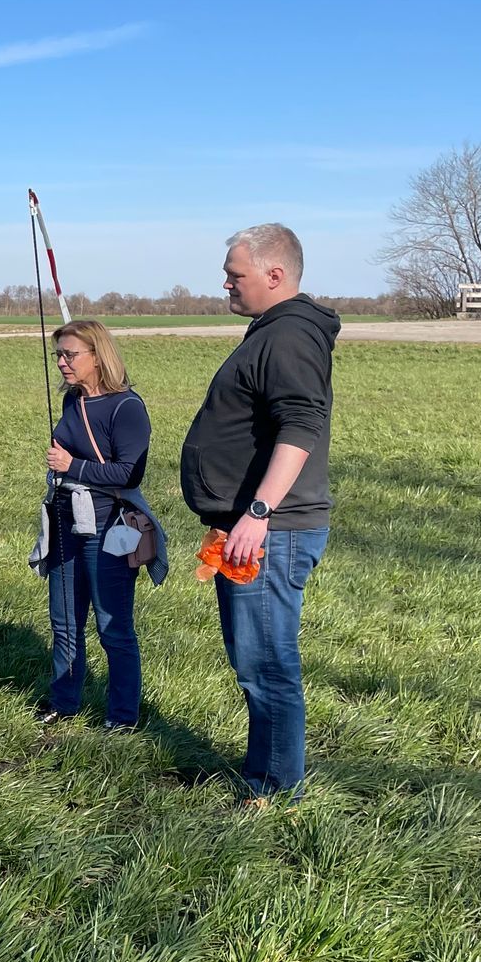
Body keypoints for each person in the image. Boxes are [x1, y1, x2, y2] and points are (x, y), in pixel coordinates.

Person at [180, 224, 340, 808]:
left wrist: (257, 511)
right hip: (255, 528)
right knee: (255, 660)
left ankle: (274, 790)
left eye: (235, 274)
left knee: (267, 663)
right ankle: (268, 774)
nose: (226, 283)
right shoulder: (274, 330)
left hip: (273, 532)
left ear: (275, 275)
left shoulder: (290, 335)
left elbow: (301, 425)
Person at [32, 319, 168, 731]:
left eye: (70, 354)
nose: (61, 362)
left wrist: (73, 466)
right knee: (64, 621)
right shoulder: (72, 400)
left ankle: (122, 716)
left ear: (97, 356)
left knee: (113, 626)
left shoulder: (127, 408)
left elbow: (129, 473)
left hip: (110, 525)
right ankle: (64, 701)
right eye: (58, 354)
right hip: (65, 518)